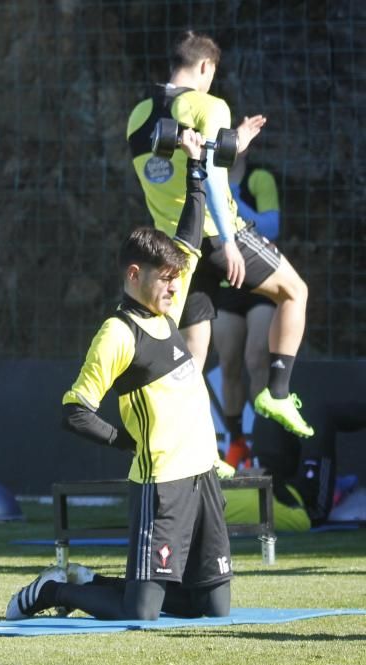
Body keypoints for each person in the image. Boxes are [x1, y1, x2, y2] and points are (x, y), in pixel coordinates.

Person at [7, 130, 234, 621]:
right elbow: (75, 410)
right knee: (142, 615)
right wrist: (123, 441)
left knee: (213, 609)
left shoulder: (166, 311)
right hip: (162, 484)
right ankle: (54, 592)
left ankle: (92, 582)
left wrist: (196, 169)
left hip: (203, 477)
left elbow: (189, 237)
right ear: (134, 275)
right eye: (165, 278)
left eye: (177, 278)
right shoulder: (118, 332)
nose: (175, 286)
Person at [126, 30, 313, 439]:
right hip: (215, 233)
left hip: (176, 249)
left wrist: (234, 143)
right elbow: (209, 174)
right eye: (213, 73)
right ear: (206, 66)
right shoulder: (208, 104)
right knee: (295, 292)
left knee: (195, 351)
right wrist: (229, 240)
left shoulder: (138, 116)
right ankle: (277, 393)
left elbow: (178, 167)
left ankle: (200, 449)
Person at [213, 149, 282, 467]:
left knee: (257, 359)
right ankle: (237, 442)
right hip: (227, 282)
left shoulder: (259, 179)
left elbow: (270, 227)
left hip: (261, 280)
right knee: (228, 364)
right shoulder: (210, 176)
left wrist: (228, 197)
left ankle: (265, 443)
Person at [224, 403, 366, 531]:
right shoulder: (217, 520)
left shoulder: (206, 487)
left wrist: (243, 476)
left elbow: (228, 474)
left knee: (268, 412)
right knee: (322, 417)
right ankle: (331, 486)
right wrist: (271, 481)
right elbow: (302, 521)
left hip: (271, 481)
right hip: (305, 505)